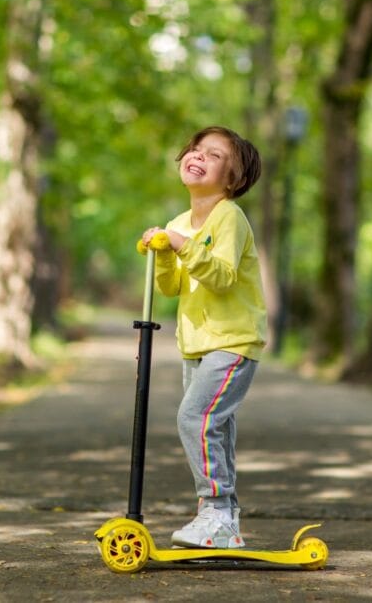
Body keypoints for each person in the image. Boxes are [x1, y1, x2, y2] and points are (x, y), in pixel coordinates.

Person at [141, 125, 266, 549]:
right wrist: (164, 251)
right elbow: (171, 287)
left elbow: (223, 276)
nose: (198, 156)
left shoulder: (229, 216)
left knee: (195, 418)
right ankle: (225, 519)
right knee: (218, 426)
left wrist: (182, 245)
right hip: (196, 344)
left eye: (214, 155)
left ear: (233, 179)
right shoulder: (179, 223)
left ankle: (213, 509)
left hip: (233, 340)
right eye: (196, 149)